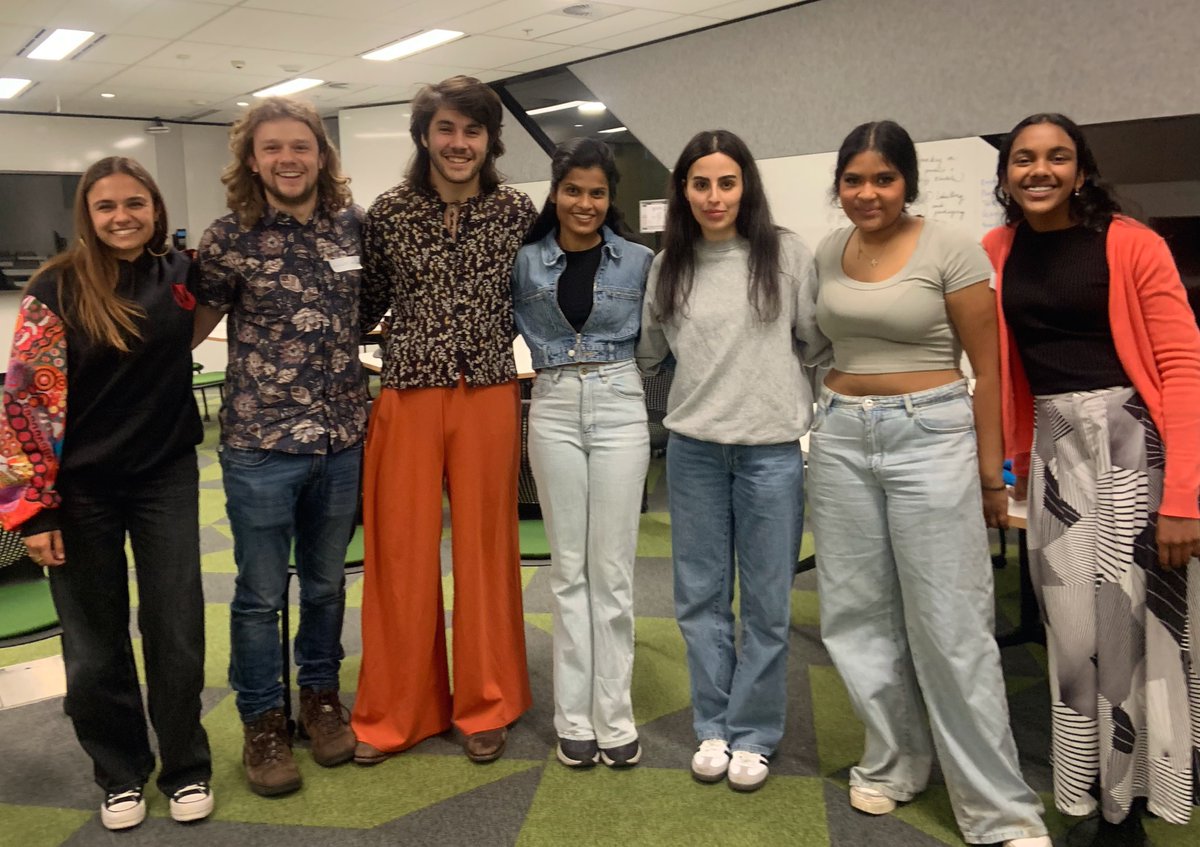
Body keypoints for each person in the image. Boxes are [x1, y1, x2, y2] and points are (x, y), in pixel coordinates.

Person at [807, 119, 1050, 847]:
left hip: (931, 433)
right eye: (854, 179)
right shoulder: (828, 249)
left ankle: (999, 808)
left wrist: (990, 473)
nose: (868, 192)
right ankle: (894, 761)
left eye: (883, 178)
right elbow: (825, 343)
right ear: (840, 186)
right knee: (856, 616)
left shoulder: (952, 248)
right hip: (843, 433)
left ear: (906, 181)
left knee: (950, 625)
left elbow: (988, 370)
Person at [986, 112, 1200, 845]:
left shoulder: (1133, 245)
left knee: (1141, 640)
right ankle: (1089, 790)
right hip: (1055, 457)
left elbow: (1182, 367)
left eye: (1056, 157)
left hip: (1135, 450)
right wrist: (1009, 464)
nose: (1039, 170)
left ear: (1082, 169)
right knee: (1074, 640)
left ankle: (1134, 808)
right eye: (1023, 158)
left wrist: (1183, 498)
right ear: (1006, 172)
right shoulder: (997, 249)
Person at [0, 157, 212, 829]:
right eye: (106, 206)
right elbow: (23, 407)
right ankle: (119, 772)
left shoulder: (182, 274)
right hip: (79, 489)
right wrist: (31, 511)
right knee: (94, 645)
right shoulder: (55, 289)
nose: (122, 216)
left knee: (175, 630)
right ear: (86, 217)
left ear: (155, 209)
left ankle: (185, 766)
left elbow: (217, 309)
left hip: (165, 478)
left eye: (135, 203)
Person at [635, 129, 827, 792]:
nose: (714, 197)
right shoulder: (671, 265)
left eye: (726, 182)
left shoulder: (787, 255)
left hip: (771, 452)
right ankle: (712, 723)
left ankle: (756, 732)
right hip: (693, 453)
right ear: (683, 190)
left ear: (745, 185)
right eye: (700, 183)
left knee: (769, 602)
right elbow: (652, 352)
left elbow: (814, 342)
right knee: (700, 598)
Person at [352, 75, 535, 764]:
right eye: (447, 130)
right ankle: (397, 708)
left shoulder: (515, 210)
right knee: (399, 551)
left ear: (489, 140)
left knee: (488, 551)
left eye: (473, 131)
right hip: (408, 390)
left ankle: (486, 700)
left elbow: (539, 294)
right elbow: (362, 304)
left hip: (488, 389)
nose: (459, 144)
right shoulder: (390, 212)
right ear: (424, 135)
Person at [193, 97, 366, 796]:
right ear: (252, 158)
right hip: (261, 443)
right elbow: (191, 325)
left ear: (321, 155)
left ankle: (319, 698)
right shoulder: (227, 236)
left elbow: (373, 305)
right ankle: (262, 721)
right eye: (273, 148)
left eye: (301, 146)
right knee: (260, 594)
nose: (288, 159)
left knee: (325, 586)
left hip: (343, 436)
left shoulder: (352, 226)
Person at [512, 137, 653, 769]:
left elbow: (658, 342)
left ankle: (614, 714)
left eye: (597, 192)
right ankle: (574, 715)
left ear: (609, 196)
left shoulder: (639, 261)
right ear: (555, 191)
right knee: (568, 568)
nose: (585, 203)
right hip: (555, 404)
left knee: (613, 570)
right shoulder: (525, 262)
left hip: (622, 399)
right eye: (573, 190)